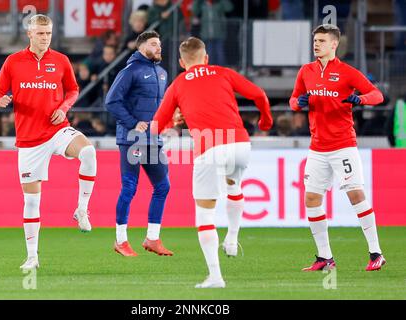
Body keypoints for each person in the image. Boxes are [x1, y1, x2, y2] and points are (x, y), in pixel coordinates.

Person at [151, 37, 273, 288]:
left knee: (205, 213)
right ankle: (232, 238)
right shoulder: (223, 73)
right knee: (234, 186)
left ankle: (216, 276)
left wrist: (170, 125)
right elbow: (259, 94)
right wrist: (265, 122)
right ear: (206, 58)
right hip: (240, 145)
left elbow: (157, 125)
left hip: (210, 149)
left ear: (182, 62)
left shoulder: (178, 84)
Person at [0, 14, 97, 270]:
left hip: (57, 129)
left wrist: (64, 107)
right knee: (31, 201)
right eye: (40, 33)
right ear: (30, 34)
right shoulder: (13, 61)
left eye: (48, 33)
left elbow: (73, 89)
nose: (45, 37)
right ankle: (32, 257)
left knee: (89, 152)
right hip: (29, 140)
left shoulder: (60, 60)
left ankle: (81, 209)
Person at [289, 24, 386, 272]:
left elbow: (377, 95)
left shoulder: (347, 72)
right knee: (311, 199)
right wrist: (297, 103)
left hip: (343, 145)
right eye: (315, 40)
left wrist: (360, 99)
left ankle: (376, 253)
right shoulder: (306, 71)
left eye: (322, 40)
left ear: (334, 44)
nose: (316, 44)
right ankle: (325, 258)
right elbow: (294, 99)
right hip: (317, 148)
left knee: (355, 195)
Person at [105, 31, 172, 257]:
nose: (159, 47)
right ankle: (120, 241)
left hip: (154, 139)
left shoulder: (162, 73)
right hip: (132, 139)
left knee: (163, 186)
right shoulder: (130, 71)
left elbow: (161, 107)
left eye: (159, 44)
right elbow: (111, 101)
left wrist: (171, 119)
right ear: (142, 47)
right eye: (154, 44)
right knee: (130, 188)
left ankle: (152, 238)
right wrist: (133, 123)